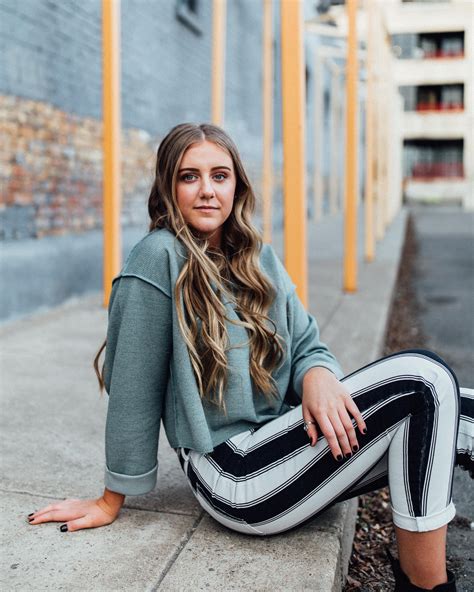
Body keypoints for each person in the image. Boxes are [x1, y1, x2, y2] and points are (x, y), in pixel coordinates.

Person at [27, 123, 473, 591]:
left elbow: (306, 344)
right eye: (189, 177)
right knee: (422, 381)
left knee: (454, 402)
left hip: (286, 441)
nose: (206, 191)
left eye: (219, 176)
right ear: (167, 186)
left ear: (237, 184)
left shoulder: (257, 256)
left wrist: (318, 374)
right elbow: (133, 389)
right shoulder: (157, 258)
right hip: (234, 473)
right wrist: (110, 498)